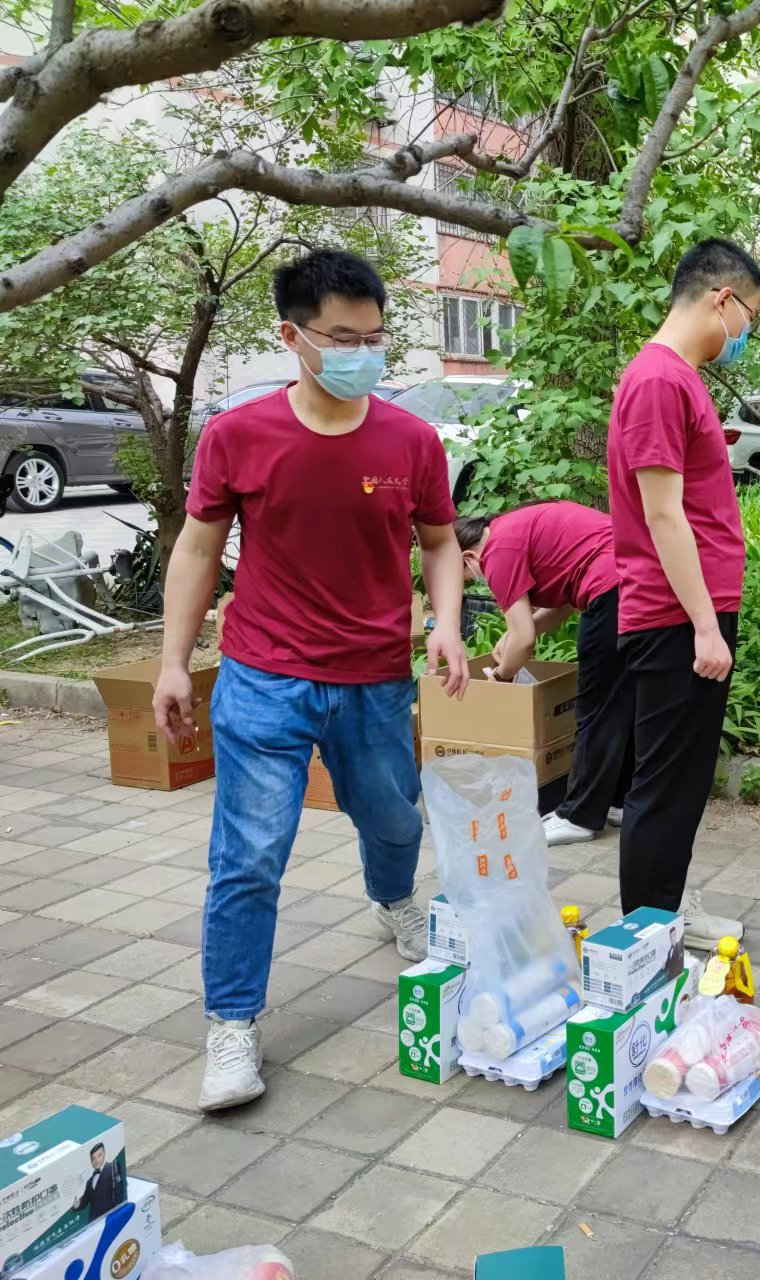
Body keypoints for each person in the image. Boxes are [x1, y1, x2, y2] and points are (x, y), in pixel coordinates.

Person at [154, 249, 470, 1111]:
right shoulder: (239, 435)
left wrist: (444, 625)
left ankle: (395, 899)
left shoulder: (410, 439)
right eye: (342, 336)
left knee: (392, 817)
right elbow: (198, 547)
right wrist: (176, 661)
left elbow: (440, 543)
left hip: (374, 676)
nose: (361, 352)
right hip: (265, 676)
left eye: (374, 337)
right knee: (250, 855)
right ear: (292, 337)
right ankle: (231, 1024)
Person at [605, 238, 759, 948]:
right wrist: (704, 624)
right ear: (721, 299)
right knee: (665, 785)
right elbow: (661, 513)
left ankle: (666, 904)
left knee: (680, 783)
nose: (746, 334)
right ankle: (647, 934)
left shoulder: (677, 377)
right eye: (750, 315)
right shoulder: (660, 380)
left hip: (690, 612)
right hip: (675, 618)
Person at [455, 502, 631, 844]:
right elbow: (561, 605)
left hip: (611, 588)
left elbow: (525, 643)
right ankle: (619, 801)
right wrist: (514, 635)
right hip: (635, 575)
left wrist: (501, 678)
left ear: (467, 558)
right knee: (621, 700)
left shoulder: (496, 553)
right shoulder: (512, 529)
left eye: (465, 580)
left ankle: (578, 816)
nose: (475, 584)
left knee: (596, 707)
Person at [75, 1143, 122, 1218]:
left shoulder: (112, 1167)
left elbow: (118, 1191)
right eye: (93, 1158)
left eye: (99, 1155)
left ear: (104, 1154)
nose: (96, 1161)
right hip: (93, 1221)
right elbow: (84, 1202)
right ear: (91, 1161)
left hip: (110, 1217)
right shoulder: (89, 1182)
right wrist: (76, 1205)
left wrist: (117, 1214)